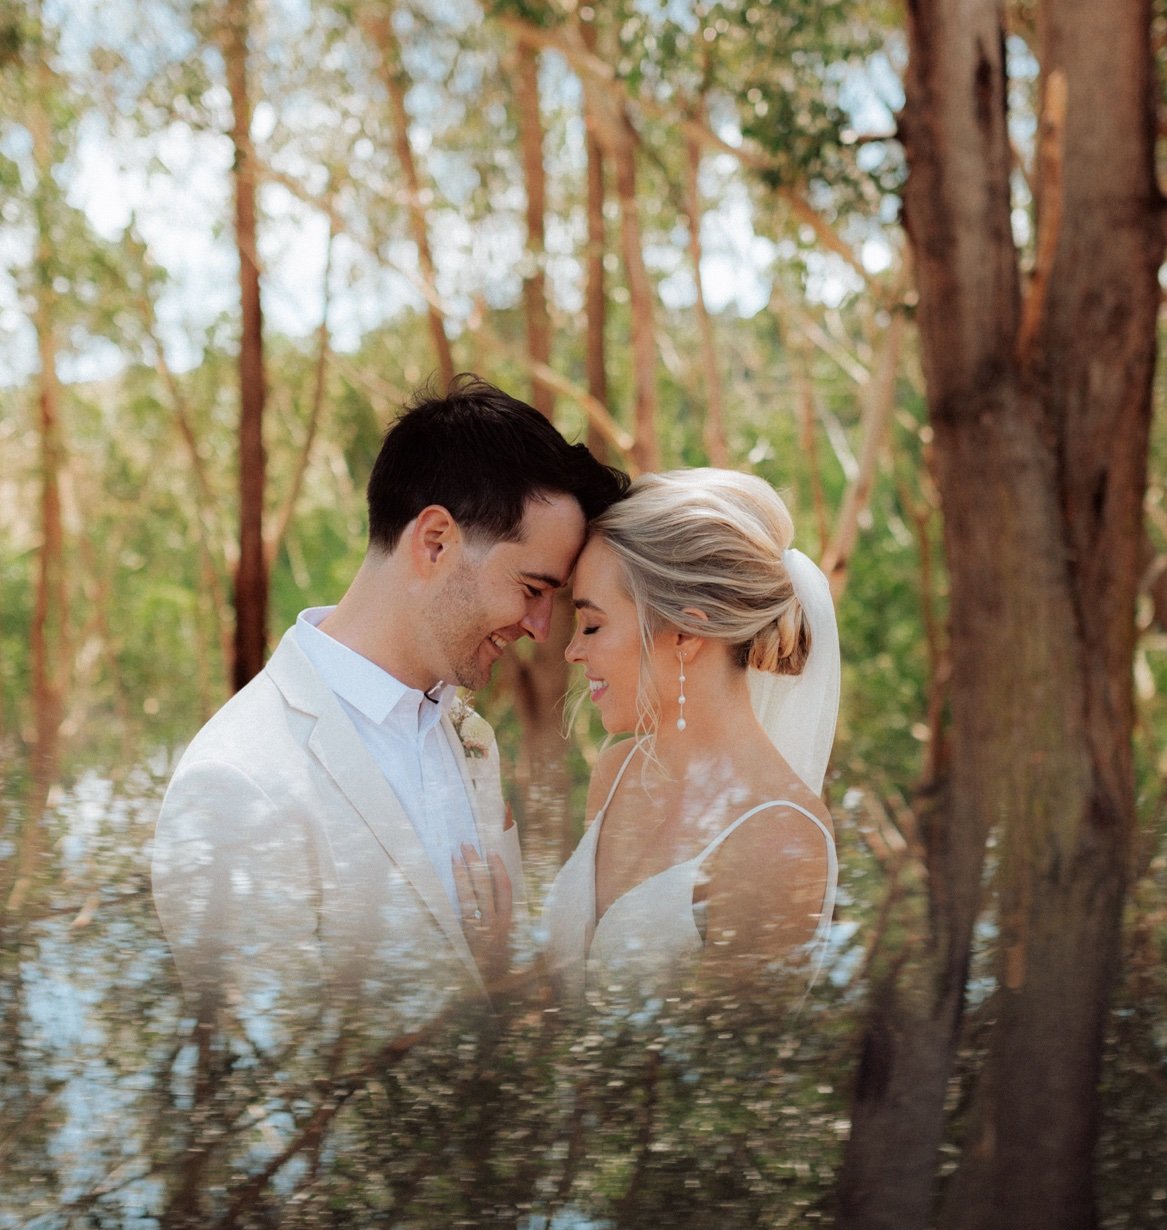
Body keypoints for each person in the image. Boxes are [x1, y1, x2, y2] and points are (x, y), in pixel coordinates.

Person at [151, 377, 627, 1043]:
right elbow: (269, 1094)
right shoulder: (236, 783)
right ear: (434, 541)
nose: (541, 628)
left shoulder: (472, 741)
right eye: (531, 588)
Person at [542, 469, 840, 1005]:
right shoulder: (615, 774)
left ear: (685, 632)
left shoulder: (780, 837)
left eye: (591, 625)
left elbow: (726, 1079)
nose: (572, 652)